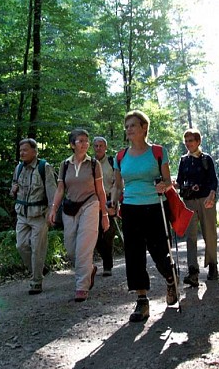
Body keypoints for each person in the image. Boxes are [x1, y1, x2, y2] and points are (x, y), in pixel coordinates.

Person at [113, 110, 179, 323]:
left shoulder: (158, 152)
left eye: (133, 125)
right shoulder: (120, 156)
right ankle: (142, 300)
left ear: (144, 128)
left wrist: (164, 185)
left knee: (159, 251)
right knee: (134, 254)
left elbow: (168, 180)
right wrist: (112, 202)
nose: (129, 129)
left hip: (154, 205)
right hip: (130, 207)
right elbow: (117, 184)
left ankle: (170, 278)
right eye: (127, 126)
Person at [48, 129, 109, 302]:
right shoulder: (65, 164)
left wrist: (104, 213)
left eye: (86, 140)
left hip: (90, 204)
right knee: (70, 247)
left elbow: (101, 190)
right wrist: (53, 209)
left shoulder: (93, 164)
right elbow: (60, 189)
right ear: (72, 144)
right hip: (69, 208)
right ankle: (89, 269)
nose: (84, 143)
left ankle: (81, 286)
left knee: (84, 246)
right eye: (80, 140)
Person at [10, 138, 57, 295]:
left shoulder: (44, 167)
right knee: (21, 246)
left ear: (34, 151)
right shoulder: (18, 168)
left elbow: (52, 192)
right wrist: (13, 190)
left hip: (39, 214)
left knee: (37, 248)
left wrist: (52, 212)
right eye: (20, 150)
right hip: (22, 214)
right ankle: (40, 268)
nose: (22, 153)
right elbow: (13, 190)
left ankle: (36, 281)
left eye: (25, 150)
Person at [175, 128, 219, 286]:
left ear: (198, 141)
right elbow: (180, 180)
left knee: (209, 233)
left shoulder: (206, 159)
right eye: (186, 141)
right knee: (190, 236)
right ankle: (192, 271)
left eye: (191, 141)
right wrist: (171, 184)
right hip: (188, 202)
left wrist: (212, 194)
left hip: (206, 200)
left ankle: (213, 266)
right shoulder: (183, 160)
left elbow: (213, 180)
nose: (188, 144)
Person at [93, 136, 118, 276]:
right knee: (95, 235)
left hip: (109, 200)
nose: (98, 148)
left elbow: (118, 183)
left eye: (101, 145)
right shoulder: (89, 163)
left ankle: (107, 266)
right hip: (93, 202)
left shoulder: (111, 162)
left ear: (105, 147)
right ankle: (106, 259)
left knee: (108, 233)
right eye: (96, 146)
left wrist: (114, 202)